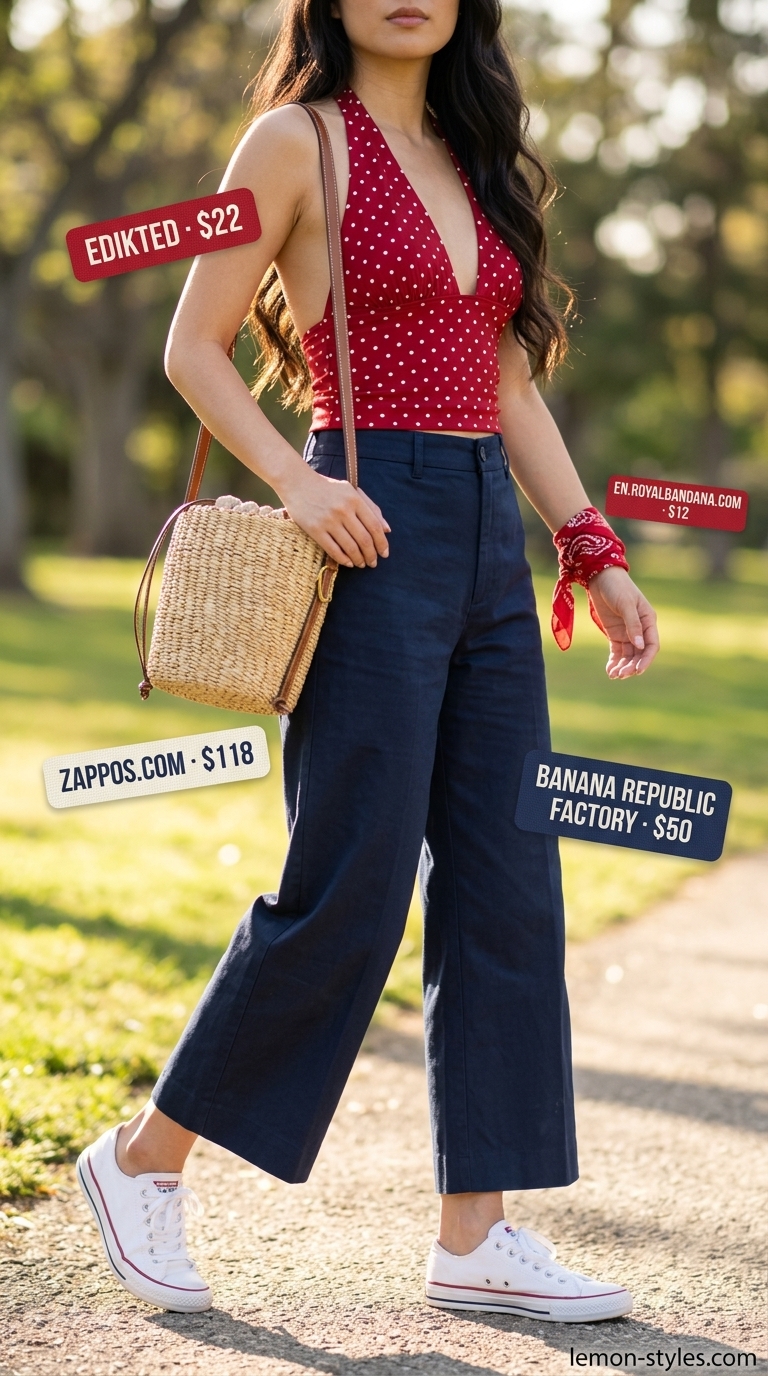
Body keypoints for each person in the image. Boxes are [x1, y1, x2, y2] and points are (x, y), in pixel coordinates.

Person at [76, 0, 659, 1322]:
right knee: (351, 878)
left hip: (485, 548)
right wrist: (297, 480)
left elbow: (509, 386)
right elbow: (190, 344)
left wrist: (591, 548)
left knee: (509, 881)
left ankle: (478, 1237)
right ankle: (142, 1160)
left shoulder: (478, 155)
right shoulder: (293, 144)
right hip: (363, 516)